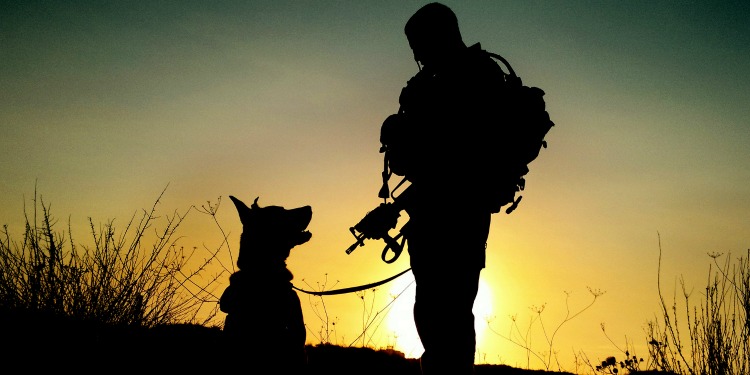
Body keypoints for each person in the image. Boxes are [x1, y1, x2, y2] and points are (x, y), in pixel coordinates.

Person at [373, 3, 508, 374]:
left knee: (448, 315)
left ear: (441, 35)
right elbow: (434, 169)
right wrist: (398, 208)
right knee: (435, 314)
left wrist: (400, 205)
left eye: (419, 43)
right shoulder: (438, 82)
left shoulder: (475, 78)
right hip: (435, 215)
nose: (416, 54)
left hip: (459, 218)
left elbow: (457, 165)